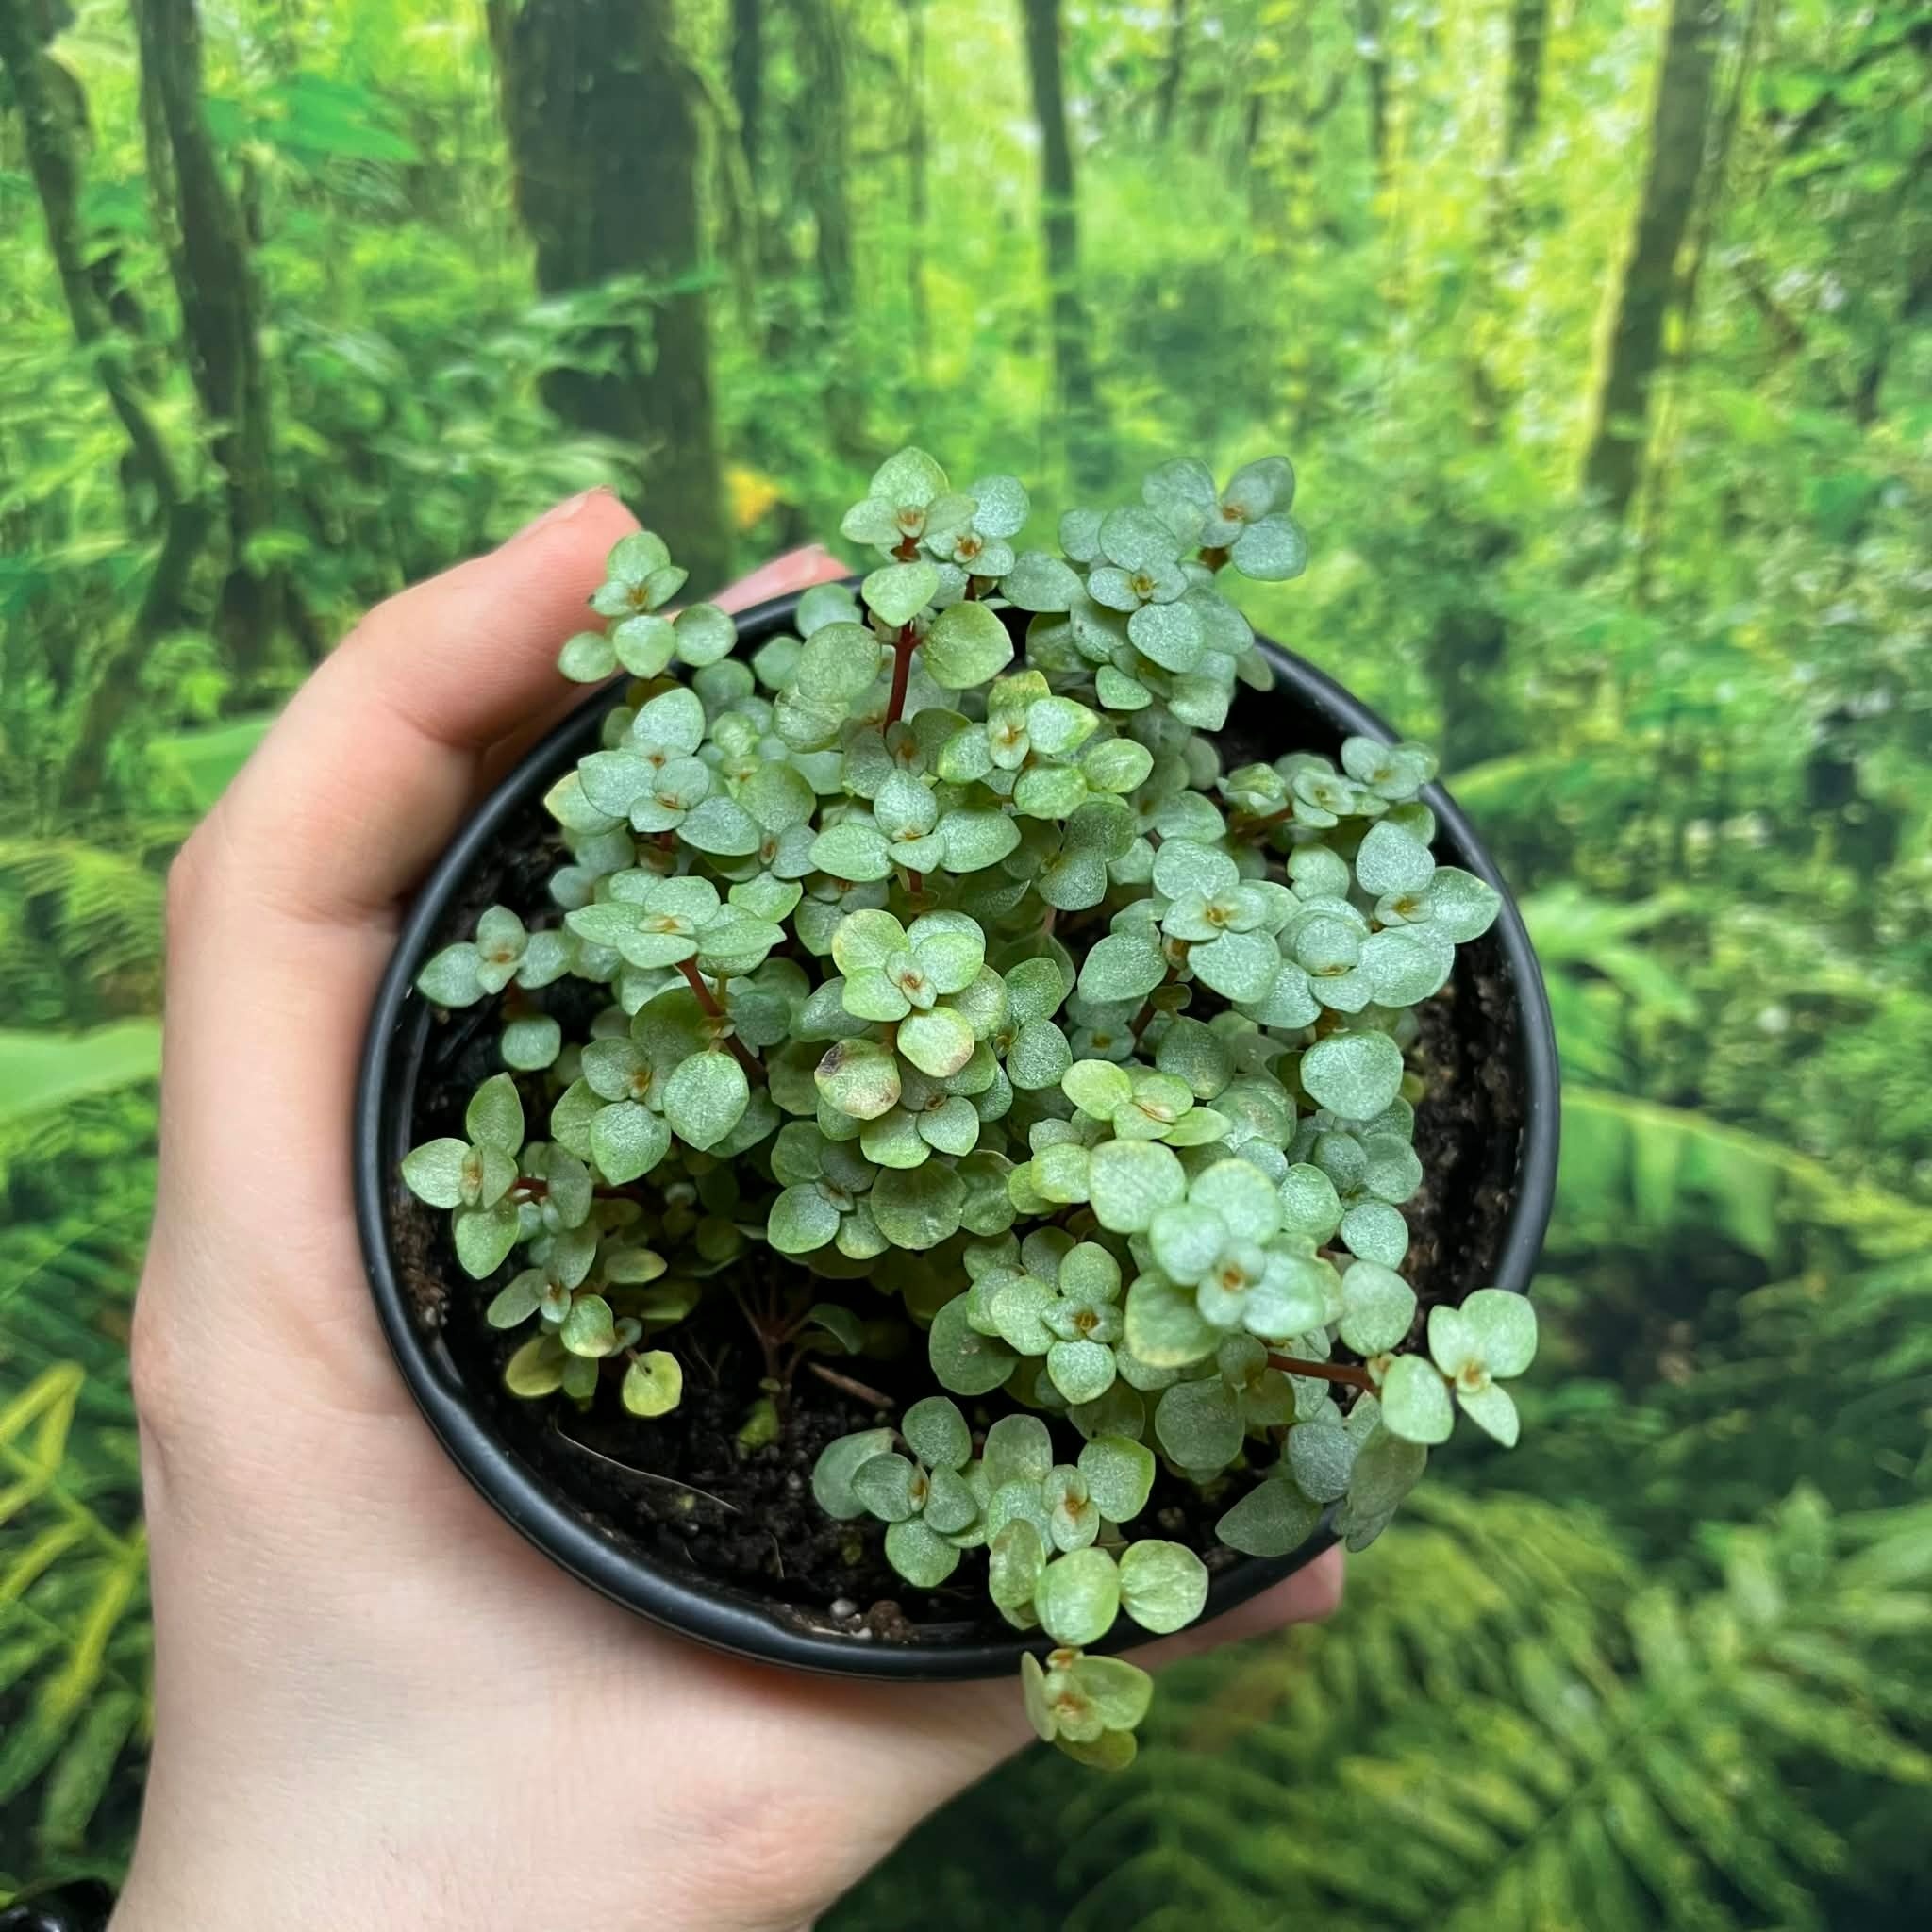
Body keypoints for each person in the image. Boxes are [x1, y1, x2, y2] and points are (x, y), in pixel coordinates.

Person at [115, 490, 1344, 1932]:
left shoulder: (1116, 1061)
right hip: (846, 1053)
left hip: (1012, 1113)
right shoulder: (743, 973)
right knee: (809, 1173)